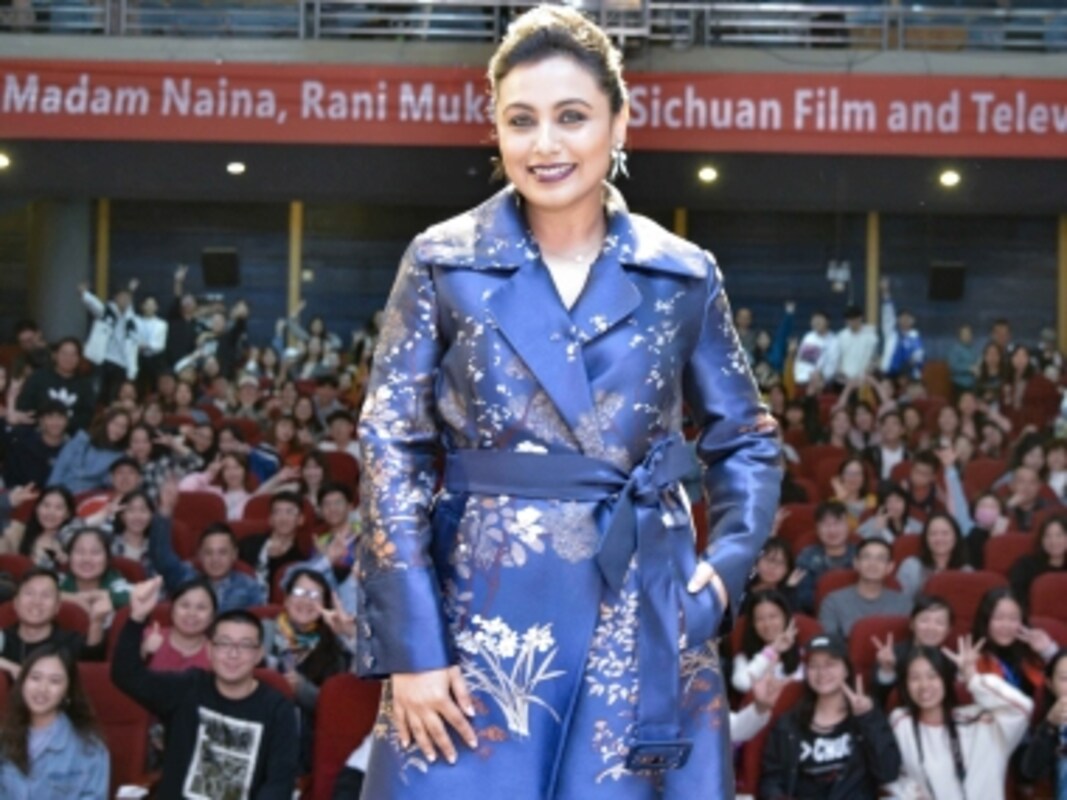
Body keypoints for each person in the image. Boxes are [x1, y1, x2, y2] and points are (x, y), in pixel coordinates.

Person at [354, 7, 782, 798]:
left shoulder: (680, 273)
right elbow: (391, 448)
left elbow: (746, 439)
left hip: (642, 609)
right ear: (496, 131)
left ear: (619, 121)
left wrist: (723, 573)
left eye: (571, 116)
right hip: (478, 620)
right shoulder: (443, 261)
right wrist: (412, 645)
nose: (544, 144)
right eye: (521, 120)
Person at [112, 576, 299, 799]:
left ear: (259, 655)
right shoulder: (187, 688)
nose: (233, 654)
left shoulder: (278, 710)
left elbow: (279, 784)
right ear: (209, 650)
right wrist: (137, 617)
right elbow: (126, 676)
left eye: (245, 646)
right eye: (224, 643)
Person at [885, 638, 1032, 800]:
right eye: (914, 678)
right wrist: (910, 795)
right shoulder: (901, 723)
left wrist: (972, 677)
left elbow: (1023, 708)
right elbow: (894, 777)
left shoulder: (983, 721)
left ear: (946, 679)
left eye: (932, 676)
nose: (924, 685)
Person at [759, 634, 901, 800]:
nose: (821, 672)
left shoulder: (867, 714)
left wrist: (867, 718)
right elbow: (771, 780)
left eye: (830, 664)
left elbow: (888, 772)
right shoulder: (788, 723)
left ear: (846, 669)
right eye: (813, 666)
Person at [261, 568, 353, 772]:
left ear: (325, 606)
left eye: (314, 596)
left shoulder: (335, 648)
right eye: (299, 592)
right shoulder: (263, 631)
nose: (305, 601)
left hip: (300, 740)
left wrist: (303, 690)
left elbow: (336, 708)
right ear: (286, 599)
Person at [0, 644, 109, 796]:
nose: (42, 689)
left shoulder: (89, 748)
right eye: (35, 678)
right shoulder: (4, 738)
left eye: (54, 681)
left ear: (67, 691)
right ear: (23, 683)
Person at [0, 568, 105, 677]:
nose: (36, 601)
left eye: (46, 595)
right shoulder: (3, 638)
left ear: (57, 607)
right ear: (16, 603)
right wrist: (11, 667)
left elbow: (93, 660)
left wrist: (96, 622)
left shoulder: (70, 641)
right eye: (29, 593)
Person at [870, 595, 955, 709]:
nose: (931, 628)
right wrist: (887, 671)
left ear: (949, 630)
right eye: (924, 620)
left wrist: (965, 673)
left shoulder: (952, 660)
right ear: (912, 624)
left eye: (939, 623)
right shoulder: (890, 655)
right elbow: (878, 702)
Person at [818, 538, 910, 637]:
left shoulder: (904, 604)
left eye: (880, 559)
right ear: (856, 563)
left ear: (890, 567)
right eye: (867, 557)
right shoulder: (833, 602)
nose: (873, 564)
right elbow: (827, 642)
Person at [15, 338, 95, 433]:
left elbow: (86, 417)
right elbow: (24, 406)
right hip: (37, 431)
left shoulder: (85, 385)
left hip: (70, 435)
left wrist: (61, 425)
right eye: (64, 353)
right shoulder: (39, 377)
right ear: (55, 355)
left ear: (79, 358)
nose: (68, 358)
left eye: (73, 354)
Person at [80, 279, 141, 403]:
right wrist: (84, 293)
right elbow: (93, 304)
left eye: (127, 298)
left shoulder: (131, 320)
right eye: (122, 297)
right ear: (116, 298)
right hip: (103, 360)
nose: (124, 300)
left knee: (115, 396)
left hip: (121, 363)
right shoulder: (106, 311)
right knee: (97, 393)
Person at [731, 589, 802, 693]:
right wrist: (772, 649)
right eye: (759, 619)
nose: (767, 624)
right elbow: (742, 684)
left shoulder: (803, 653)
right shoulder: (743, 658)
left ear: (786, 617)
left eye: (773, 617)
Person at [48, 406, 132, 494]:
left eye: (123, 427)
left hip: (87, 496)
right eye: (115, 424)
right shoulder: (81, 439)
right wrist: (51, 492)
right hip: (61, 491)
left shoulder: (119, 456)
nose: (118, 430)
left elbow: (108, 481)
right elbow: (60, 466)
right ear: (106, 423)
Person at [141, 577, 215, 672]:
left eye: (201, 607)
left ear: (212, 616)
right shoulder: (147, 636)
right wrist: (143, 652)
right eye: (185, 605)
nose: (192, 613)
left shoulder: (216, 652)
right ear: (172, 609)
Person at [1020, 648, 1067, 797]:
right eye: (1065, 678)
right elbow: (1030, 771)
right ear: (1050, 684)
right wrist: (1049, 726)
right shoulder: (1043, 724)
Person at [794, 501, 856, 615]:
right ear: (817, 529)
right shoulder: (807, 557)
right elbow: (803, 596)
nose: (832, 530)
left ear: (848, 526)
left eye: (837, 523)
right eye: (826, 525)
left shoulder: (860, 554)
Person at [896, 513, 972, 601]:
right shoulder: (911, 566)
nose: (939, 538)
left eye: (945, 533)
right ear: (926, 538)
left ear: (956, 537)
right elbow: (901, 604)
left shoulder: (966, 571)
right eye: (933, 534)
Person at [0, 399, 70, 490]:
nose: (55, 422)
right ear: (41, 421)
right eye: (50, 417)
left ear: (67, 421)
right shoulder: (24, 446)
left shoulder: (72, 450)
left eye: (60, 417)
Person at [1008, 513, 1067, 603]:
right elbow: (1016, 598)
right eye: (1047, 536)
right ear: (1041, 540)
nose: (1053, 541)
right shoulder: (1025, 565)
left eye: (1059, 535)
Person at [879, 277, 925, 382]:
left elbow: (919, 358)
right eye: (902, 317)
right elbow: (888, 313)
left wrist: (908, 369)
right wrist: (885, 292)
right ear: (898, 320)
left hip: (909, 377)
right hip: (889, 375)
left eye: (908, 318)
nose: (905, 320)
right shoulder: (891, 333)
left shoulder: (916, 337)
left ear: (913, 321)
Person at [834, 306, 878, 385]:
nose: (852, 321)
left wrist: (867, 374)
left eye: (854, 318)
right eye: (849, 319)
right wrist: (841, 375)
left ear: (860, 318)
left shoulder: (871, 335)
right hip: (845, 379)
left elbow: (874, 358)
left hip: (864, 379)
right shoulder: (841, 336)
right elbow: (838, 359)